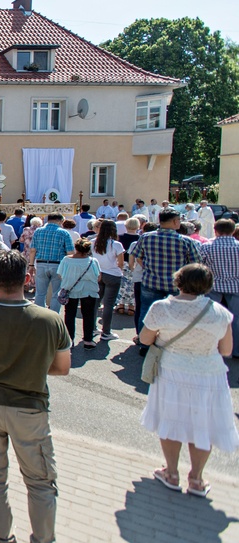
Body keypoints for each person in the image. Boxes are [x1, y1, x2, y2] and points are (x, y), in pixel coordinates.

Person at [0, 250, 71, 543]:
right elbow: (62, 368)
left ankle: (1, 536)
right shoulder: (50, 320)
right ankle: (43, 539)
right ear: (28, 278)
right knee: (40, 482)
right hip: (29, 407)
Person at [139, 264, 238, 497]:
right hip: (209, 373)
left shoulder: (162, 308)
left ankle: (171, 473)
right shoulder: (220, 312)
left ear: (178, 281)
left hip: (172, 370)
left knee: (171, 420)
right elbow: (226, 349)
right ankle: (196, 478)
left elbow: (145, 339)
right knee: (202, 425)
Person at [130, 207, 202, 354]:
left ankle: (145, 343)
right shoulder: (185, 241)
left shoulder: (146, 237)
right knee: (176, 314)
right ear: (175, 222)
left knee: (147, 312)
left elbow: (137, 255)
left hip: (151, 282)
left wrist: (147, 268)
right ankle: (172, 343)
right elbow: (195, 263)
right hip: (175, 285)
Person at [200, 218, 239, 358]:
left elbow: (200, 265)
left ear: (215, 231)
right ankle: (235, 349)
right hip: (236, 285)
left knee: (211, 317)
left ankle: (212, 346)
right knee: (236, 319)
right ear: (233, 230)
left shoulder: (207, 246)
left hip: (213, 285)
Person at [57, 238, 100, 348]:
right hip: (89, 290)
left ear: (76, 248)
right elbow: (98, 277)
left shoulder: (66, 260)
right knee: (89, 315)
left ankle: (70, 340)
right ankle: (88, 340)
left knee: (70, 314)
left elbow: (60, 274)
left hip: (70, 290)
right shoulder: (92, 261)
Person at [28, 213, 74, 312]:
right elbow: (70, 252)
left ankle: (39, 315)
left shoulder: (38, 231)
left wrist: (31, 264)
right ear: (60, 221)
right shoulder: (64, 233)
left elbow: (32, 250)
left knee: (40, 293)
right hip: (58, 265)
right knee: (56, 293)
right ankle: (54, 316)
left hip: (41, 263)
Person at [92, 220, 125, 341]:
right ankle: (106, 332)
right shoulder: (116, 244)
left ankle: (92, 327)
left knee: (95, 302)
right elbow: (120, 263)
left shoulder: (93, 242)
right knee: (108, 304)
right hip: (113, 275)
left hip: (98, 274)